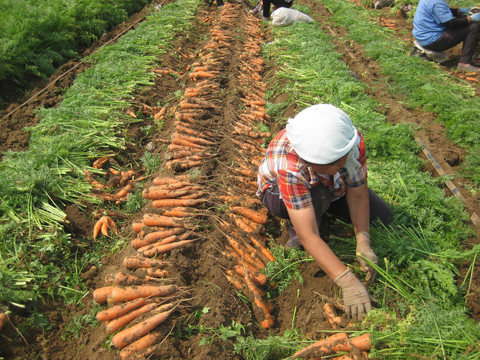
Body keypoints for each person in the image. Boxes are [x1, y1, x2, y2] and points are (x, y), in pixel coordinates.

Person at [256, 104, 392, 319]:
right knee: (317, 201)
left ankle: (323, 205)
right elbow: (308, 235)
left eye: (340, 162)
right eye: (327, 165)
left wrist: (363, 240)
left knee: (382, 216)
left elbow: (357, 194)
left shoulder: (349, 142)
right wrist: (347, 281)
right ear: (309, 159)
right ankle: (297, 220)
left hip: (330, 187)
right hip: (278, 193)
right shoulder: (290, 167)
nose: (335, 168)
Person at [412, 0, 480, 72]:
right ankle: (464, 64)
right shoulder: (438, 2)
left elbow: (442, 11)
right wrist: (471, 18)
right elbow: (450, 23)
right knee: (473, 27)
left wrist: (460, 11)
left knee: (464, 18)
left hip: (422, 37)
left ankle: (474, 57)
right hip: (432, 41)